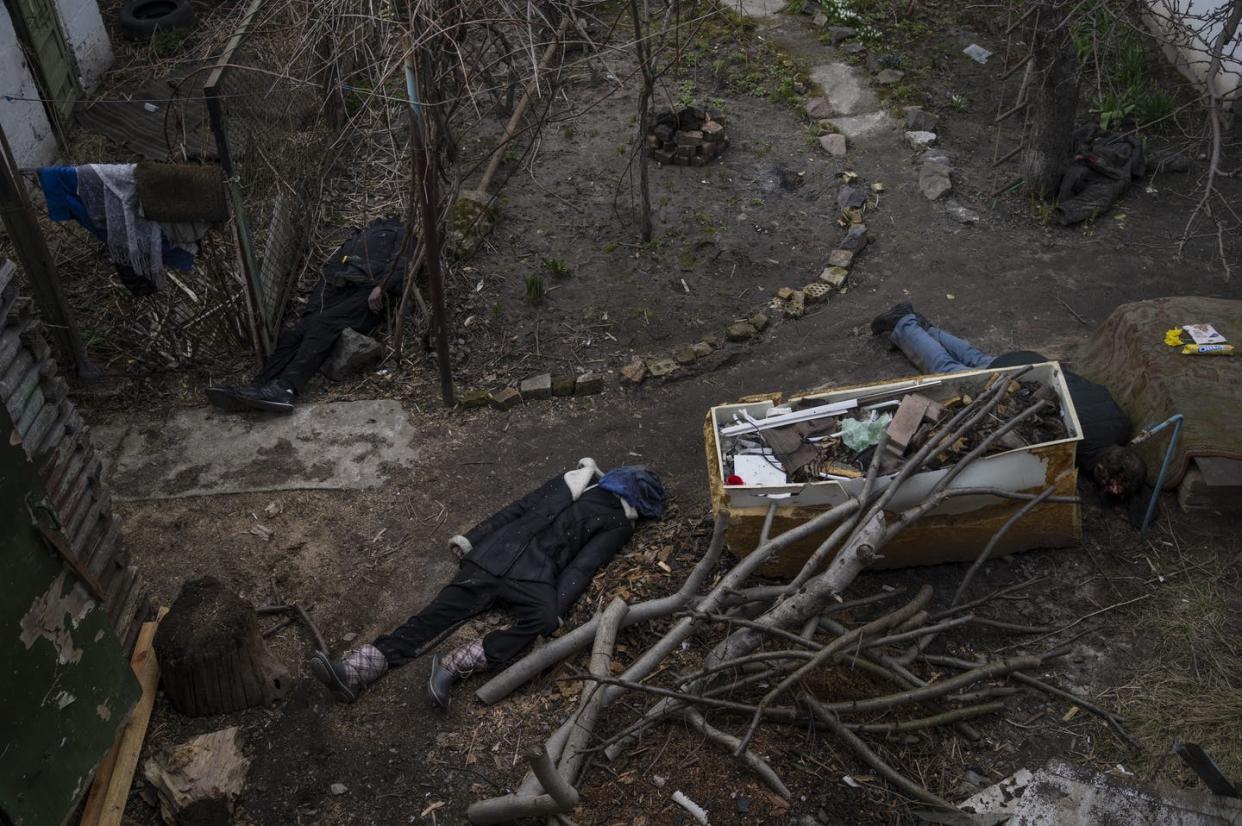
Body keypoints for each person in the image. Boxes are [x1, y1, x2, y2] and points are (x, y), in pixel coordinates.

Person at [310, 460, 666, 707]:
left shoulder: (619, 520)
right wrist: (471, 539)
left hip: (534, 575)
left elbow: (584, 565)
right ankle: (356, 671)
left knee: (542, 619)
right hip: (492, 557)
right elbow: (516, 510)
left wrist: (557, 607)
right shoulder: (572, 479)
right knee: (438, 614)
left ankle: (454, 666)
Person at [870, 302, 1146, 501]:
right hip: (1018, 381)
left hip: (1033, 364)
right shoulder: (1079, 445)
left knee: (977, 359)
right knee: (948, 369)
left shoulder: (1122, 426)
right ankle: (904, 323)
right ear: (1099, 469)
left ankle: (923, 328)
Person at [206, 216, 411, 413]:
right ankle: (258, 387)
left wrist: (382, 286)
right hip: (341, 290)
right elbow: (330, 273)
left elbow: (403, 261)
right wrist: (312, 309)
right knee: (296, 332)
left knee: (323, 324)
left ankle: (286, 388)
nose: (379, 219)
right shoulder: (356, 239)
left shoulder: (400, 232)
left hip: (368, 294)